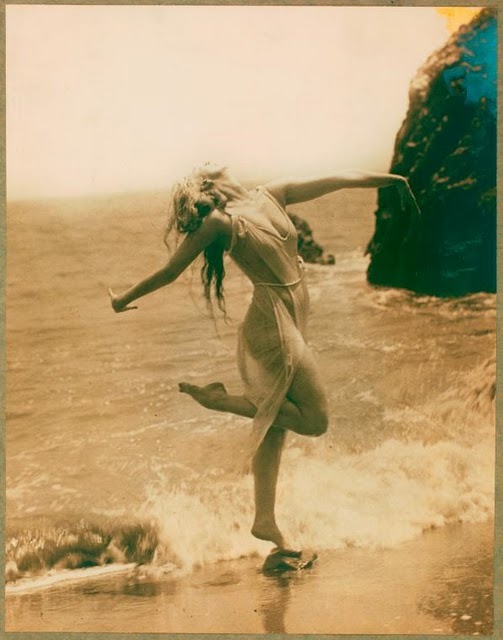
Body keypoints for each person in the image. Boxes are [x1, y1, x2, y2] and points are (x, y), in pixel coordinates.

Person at [109, 163, 419, 552]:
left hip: (295, 313)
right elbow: (171, 271)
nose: (217, 159)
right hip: (271, 324)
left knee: (276, 426)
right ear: (208, 184)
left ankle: (264, 520)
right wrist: (123, 299)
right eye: (208, 165)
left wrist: (390, 180)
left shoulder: (274, 193)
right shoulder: (220, 223)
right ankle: (219, 401)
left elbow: (334, 181)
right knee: (315, 421)